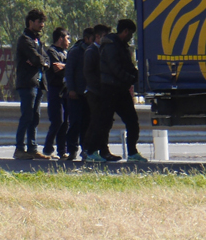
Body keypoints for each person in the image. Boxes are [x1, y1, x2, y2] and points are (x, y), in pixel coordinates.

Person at [94, 18, 147, 163]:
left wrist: (139, 76)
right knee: (105, 122)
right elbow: (115, 68)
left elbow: (128, 66)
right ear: (125, 31)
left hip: (120, 89)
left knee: (132, 121)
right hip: (110, 89)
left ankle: (132, 152)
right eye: (130, 34)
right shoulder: (111, 46)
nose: (131, 37)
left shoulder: (121, 46)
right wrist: (130, 79)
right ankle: (102, 152)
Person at [12, 8, 51, 160]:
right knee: (27, 116)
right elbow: (37, 59)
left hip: (38, 84)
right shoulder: (25, 40)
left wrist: (42, 63)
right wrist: (39, 61)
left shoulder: (37, 41)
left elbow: (45, 59)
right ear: (31, 22)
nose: (42, 25)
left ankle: (32, 148)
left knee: (35, 117)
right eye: (39, 22)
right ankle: (20, 149)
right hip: (28, 84)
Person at [83, 24, 120, 161]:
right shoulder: (91, 51)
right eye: (104, 36)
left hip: (104, 92)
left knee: (105, 122)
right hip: (94, 92)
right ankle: (88, 150)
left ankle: (104, 150)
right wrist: (99, 89)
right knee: (96, 122)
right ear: (97, 37)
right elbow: (89, 74)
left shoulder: (103, 50)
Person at [63, 27, 94, 161]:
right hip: (75, 94)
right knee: (75, 122)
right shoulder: (75, 51)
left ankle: (85, 149)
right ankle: (72, 149)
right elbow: (69, 72)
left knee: (86, 124)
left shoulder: (93, 51)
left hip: (88, 94)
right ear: (86, 38)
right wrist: (71, 89)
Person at [42, 27, 70, 160]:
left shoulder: (66, 53)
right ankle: (47, 149)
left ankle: (62, 151)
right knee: (57, 121)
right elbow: (56, 68)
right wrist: (67, 67)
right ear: (60, 38)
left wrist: (65, 66)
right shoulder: (51, 52)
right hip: (54, 90)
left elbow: (69, 67)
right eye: (67, 38)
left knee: (65, 122)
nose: (68, 41)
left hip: (65, 90)